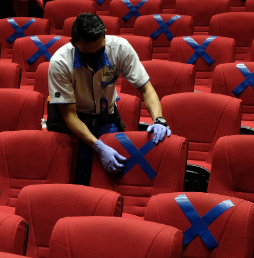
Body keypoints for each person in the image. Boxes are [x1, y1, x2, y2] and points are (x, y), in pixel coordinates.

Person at [47, 13, 171, 185]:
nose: (94, 57)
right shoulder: (60, 62)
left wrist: (158, 119)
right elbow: (70, 116)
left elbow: (146, 89)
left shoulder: (120, 48)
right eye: (87, 53)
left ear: (104, 34)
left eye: (99, 50)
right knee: (76, 178)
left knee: (116, 173)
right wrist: (98, 146)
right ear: (72, 43)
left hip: (106, 118)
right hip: (73, 123)